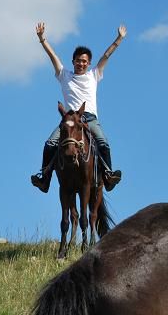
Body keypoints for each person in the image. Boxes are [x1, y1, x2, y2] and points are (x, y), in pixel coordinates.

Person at [30, 22, 125, 193]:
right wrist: (42, 39)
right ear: (73, 61)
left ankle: (108, 176)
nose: (81, 64)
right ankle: (44, 179)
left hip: (89, 118)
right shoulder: (64, 75)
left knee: (103, 142)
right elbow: (53, 57)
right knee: (50, 143)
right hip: (69, 119)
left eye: (84, 61)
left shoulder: (94, 74)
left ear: (88, 63)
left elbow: (106, 55)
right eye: (78, 61)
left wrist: (118, 39)